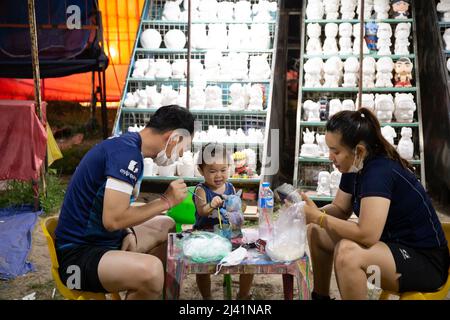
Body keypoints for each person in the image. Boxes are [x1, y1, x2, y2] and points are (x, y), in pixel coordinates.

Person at [302, 108, 449, 300]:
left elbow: (367, 235)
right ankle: (320, 297)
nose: (330, 157)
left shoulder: (379, 172)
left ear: (359, 151)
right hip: (392, 245)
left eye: (335, 151)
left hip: (425, 261)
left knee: (348, 254)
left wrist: (319, 217)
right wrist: (310, 212)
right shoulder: (354, 166)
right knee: (317, 231)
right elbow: (340, 209)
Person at [55, 105, 195, 299]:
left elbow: (113, 208)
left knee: (167, 224)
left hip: (99, 240)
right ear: (172, 138)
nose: (179, 156)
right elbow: (113, 220)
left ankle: (156, 293)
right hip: (77, 259)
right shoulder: (126, 156)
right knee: (151, 272)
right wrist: (165, 201)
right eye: (182, 148)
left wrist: (127, 230)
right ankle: (146, 284)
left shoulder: (128, 146)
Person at [192, 143, 254, 300]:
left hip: (229, 233)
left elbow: (237, 208)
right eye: (212, 171)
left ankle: (243, 295)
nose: (218, 175)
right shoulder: (201, 190)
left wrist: (241, 208)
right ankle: (207, 297)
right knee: (203, 268)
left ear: (229, 167)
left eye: (223, 170)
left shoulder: (230, 187)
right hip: (205, 235)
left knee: (248, 260)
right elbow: (201, 211)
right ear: (201, 170)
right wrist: (210, 205)